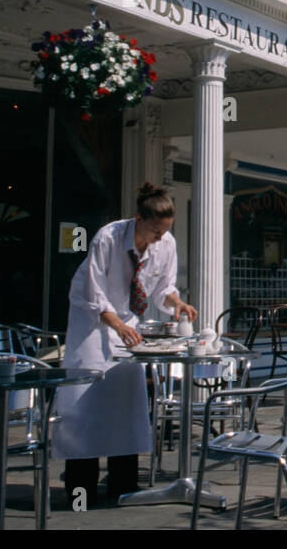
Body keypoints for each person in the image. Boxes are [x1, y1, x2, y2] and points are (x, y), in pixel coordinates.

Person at [54, 183, 197, 504]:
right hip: (92, 325)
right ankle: (81, 491)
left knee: (125, 405)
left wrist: (178, 304)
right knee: (85, 406)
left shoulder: (166, 243)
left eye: (164, 232)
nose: (159, 238)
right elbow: (94, 293)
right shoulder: (108, 237)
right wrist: (117, 325)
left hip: (127, 326)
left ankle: (123, 486)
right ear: (138, 220)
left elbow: (163, 287)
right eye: (154, 231)